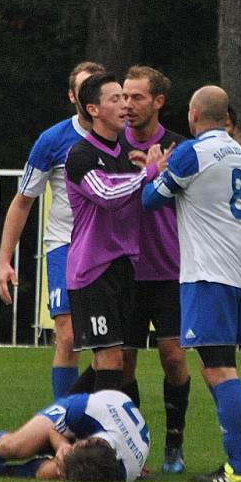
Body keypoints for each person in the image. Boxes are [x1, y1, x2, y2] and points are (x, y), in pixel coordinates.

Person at [142, 85, 241, 482]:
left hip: (208, 272)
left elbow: (150, 200)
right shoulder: (238, 153)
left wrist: (155, 167)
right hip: (239, 271)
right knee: (222, 365)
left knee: (218, 368)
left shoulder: (194, 152)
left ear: (194, 115)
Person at [0, 61, 105, 400]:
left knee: (113, 347)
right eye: (84, 88)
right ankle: (63, 422)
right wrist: (4, 260)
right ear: (73, 96)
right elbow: (23, 201)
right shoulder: (53, 140)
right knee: (70, 337)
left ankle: (102, 419)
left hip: (110, 250)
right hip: (66, 246)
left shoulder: (122, 136)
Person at [62, 72, 163, 404]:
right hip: (93, 272)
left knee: (106, 362)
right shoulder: (81, 155)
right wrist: (147, 173)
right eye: (115, 99)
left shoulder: (124, 154)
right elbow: (106, 193)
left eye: (126, 98)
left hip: (122, 268)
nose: (125, 105)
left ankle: (50, 427)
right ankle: (104, 446)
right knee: (111, 362)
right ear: (93, 109)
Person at [120, 65, 191, 474]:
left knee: (173, 359)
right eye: (125, 97)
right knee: (123, 364)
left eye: (137, 97)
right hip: (124, 272)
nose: (128, 105)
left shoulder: (181, 149)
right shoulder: (110, 145)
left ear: (158, 102)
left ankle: (174, 444)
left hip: (169, 271)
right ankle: (136, 446)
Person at [0, 389, 150, 482]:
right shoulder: (86, 411)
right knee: (15, 446)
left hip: (108, 439)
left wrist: (62, 467)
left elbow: (75, 468)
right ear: (85, 441)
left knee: (53, 472)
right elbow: (52, 430)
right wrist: (61, 448)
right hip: (75, 414)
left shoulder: (122, 473)